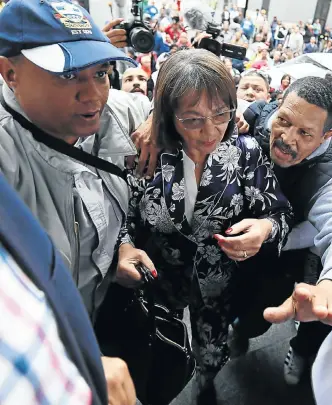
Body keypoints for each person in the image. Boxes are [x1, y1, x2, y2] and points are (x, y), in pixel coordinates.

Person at [116, 49, 293, 404]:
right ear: (168, 115)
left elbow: (280, 214)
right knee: (157, 350)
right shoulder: (147, 151)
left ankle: (206, 381)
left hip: (219, 283)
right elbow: (123, 216)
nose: (210, 131)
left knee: (211, 347)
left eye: (221, 114)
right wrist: (123, 247)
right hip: (157, 282)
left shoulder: (245, 153)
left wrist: (264, 229)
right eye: (193, 119)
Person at [0, 0, 151, 398]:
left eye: (101, 72)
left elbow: (184, 105)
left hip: (99, 314)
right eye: (68, 75)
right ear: (10, 73)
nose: (93, 94)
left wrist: (119, 246)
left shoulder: (112, 112)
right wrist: (67, 358)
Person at [241, 77, 332, 385]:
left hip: (276, 264)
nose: (287, 139)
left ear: (326, 135)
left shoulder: (328, 178)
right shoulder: (257, 115)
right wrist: (158, 119)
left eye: (305, 133)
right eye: (285, 122)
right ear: (278, 106)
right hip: (226, 252)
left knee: (254, 321)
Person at [0, 174, 136, 405]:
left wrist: (124, 245)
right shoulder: (12, 162)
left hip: (99, 314)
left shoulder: (108, 145)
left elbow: (121, 207)